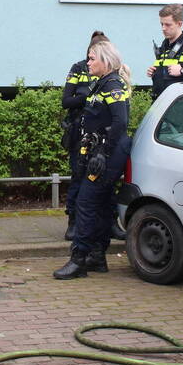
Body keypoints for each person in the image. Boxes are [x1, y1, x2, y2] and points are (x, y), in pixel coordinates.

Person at [54, 41, 132, 280]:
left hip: (107, 154)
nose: (87, 63)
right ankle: (97, 257)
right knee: (101, 203)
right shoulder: (101, 85)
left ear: (105, 61)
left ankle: (79, 260)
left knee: (86, 203)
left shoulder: (113, 85)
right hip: (96, 150)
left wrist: (102, 153)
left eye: (91, 59)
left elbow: (120, 121)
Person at [60, 30, 109, 241]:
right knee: (78, 175)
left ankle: (106, 221)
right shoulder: (79, 68)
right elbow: (66, 101)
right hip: (79, 132)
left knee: (103, 178)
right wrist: (87, 95)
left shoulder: (110, 74)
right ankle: (73, 220)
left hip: (100, 133)